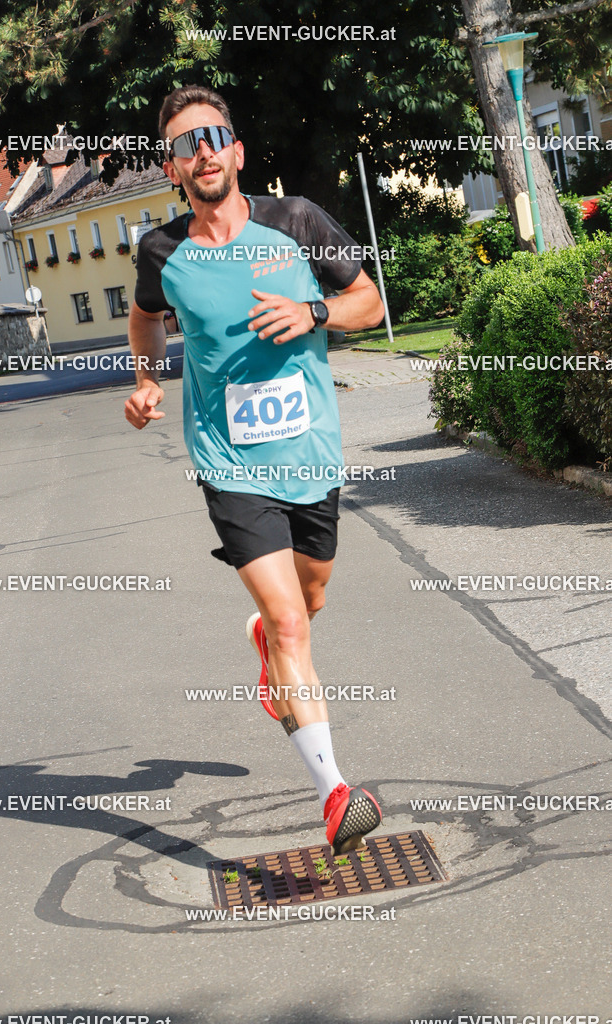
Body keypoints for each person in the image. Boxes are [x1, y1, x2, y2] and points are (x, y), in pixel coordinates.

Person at [124, 85, 385, 854]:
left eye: (213, 135)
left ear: (236, 152)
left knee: (312, 595)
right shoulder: (161, 252)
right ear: (173, 168)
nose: (201, 149)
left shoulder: (296, 221)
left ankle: (268, 649)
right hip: (229, 462)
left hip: (310, 456)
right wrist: (145, 379)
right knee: (291, 619)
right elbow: (143, 316)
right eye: (184, 143)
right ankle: (334, 792)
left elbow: (369, 299)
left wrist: (315, 314)